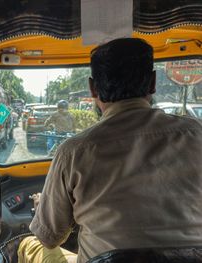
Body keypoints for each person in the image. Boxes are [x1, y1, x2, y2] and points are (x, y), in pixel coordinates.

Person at [17, 38, 202, 263]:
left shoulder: (73, 152)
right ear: (153, 82)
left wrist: (40, 207)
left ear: (93, 88)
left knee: (31, 245)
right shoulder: (196, 134)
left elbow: (49, 237)